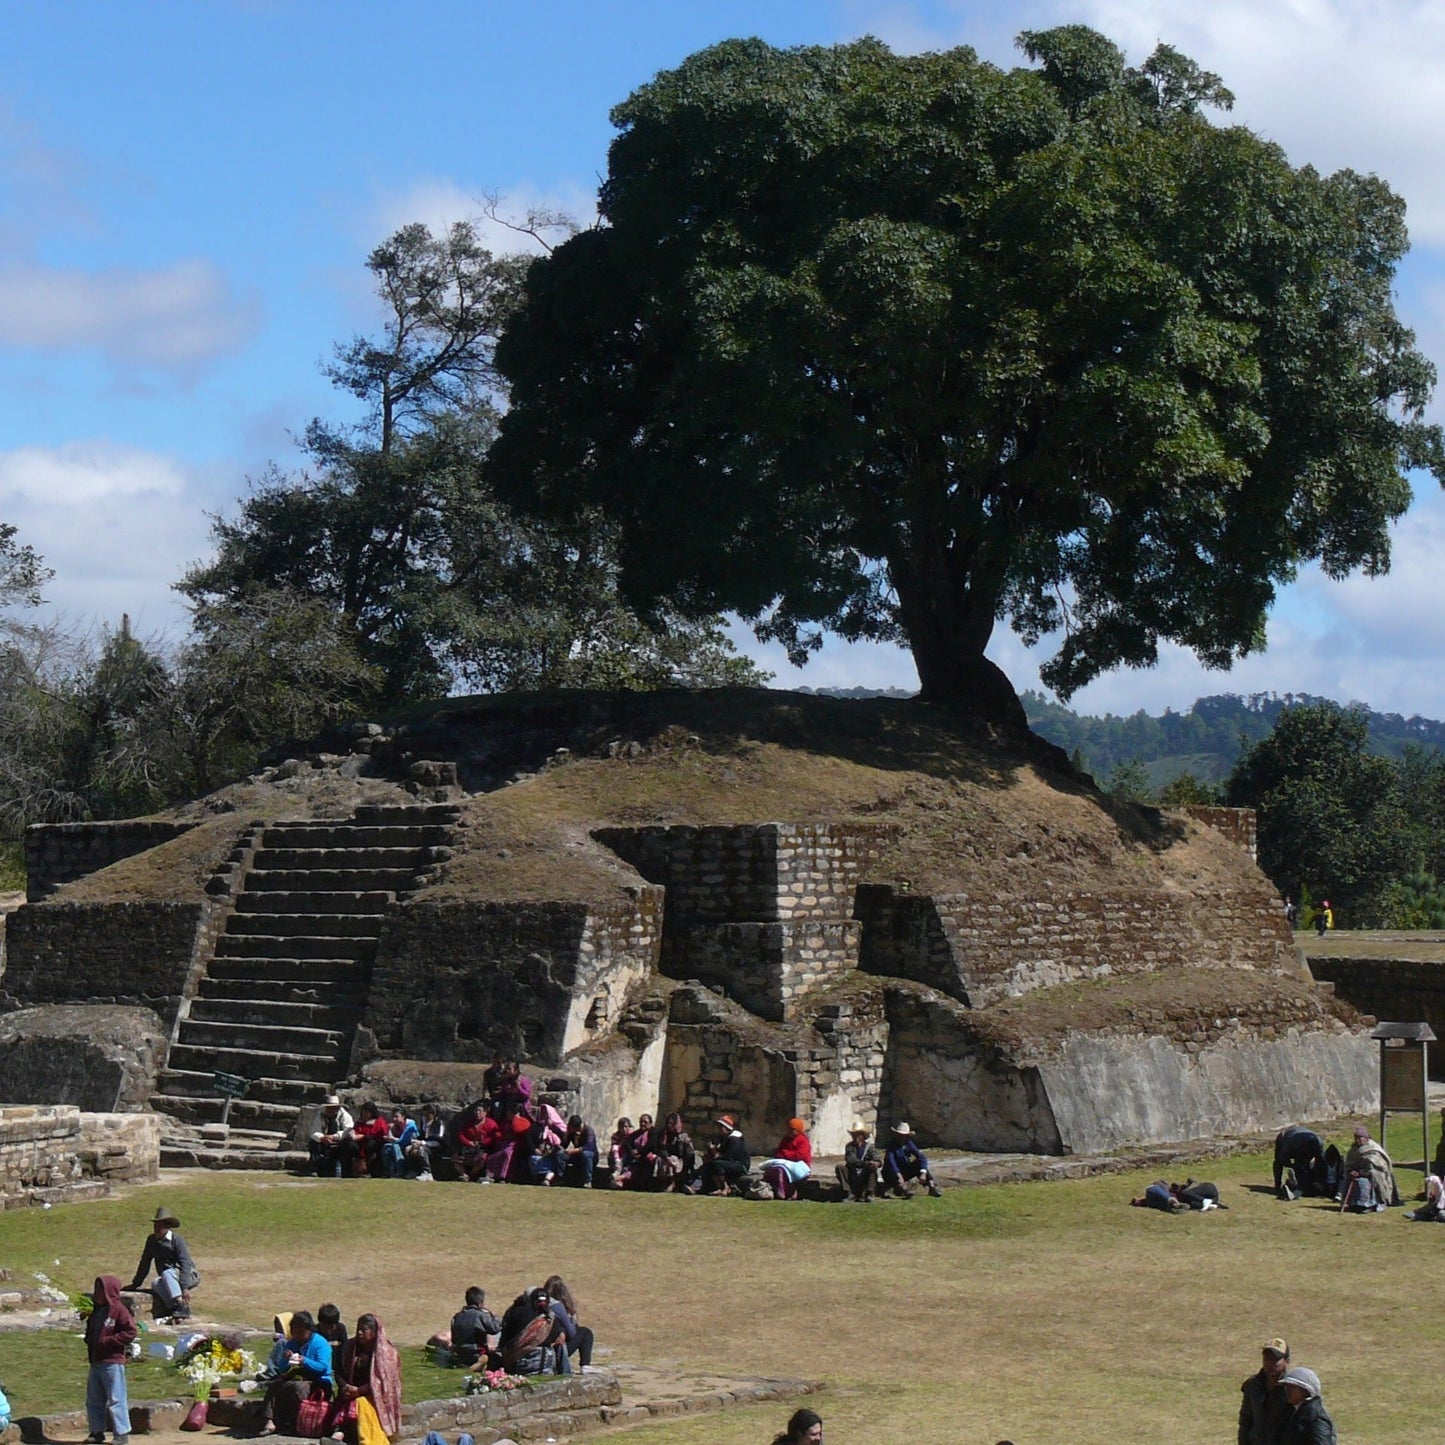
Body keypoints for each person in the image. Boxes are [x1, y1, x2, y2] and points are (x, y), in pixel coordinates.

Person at [327, 1313, 402, 1444]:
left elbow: (384, 1383)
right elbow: (338, 1371)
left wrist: (359, 1391)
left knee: (359, 1404)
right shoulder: (350, 1347)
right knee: (348, 1404)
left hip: (374, 1397)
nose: (360, 1333)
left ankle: (344, 1435)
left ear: (374, 1332)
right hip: (349, 1393)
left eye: (364, 1329)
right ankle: (339, 1435)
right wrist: (345, 1386)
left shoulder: (387, 1354)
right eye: (358, 1329)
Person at [259, 1309, 334, 1436]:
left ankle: (297, 1422)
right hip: (298, 1376)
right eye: (294, 1332)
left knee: (298, 1388)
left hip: (319, 1380)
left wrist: (305, 1361)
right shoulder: (292, 1343)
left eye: (301, 1333)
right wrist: (285, 1359)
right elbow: (282, 1369)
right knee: (276, 1385)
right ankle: (269, 1421)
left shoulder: (320, 1344)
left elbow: (322, 1367)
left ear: (309, 1330)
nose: (298, 1336)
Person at [84, 1275, 136, 1445]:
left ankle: (122, 1433)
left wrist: (108, 1342)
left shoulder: (119, 1310)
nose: (96, 1294)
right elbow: (92, 1330)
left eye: (100, 1290)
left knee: (116, 1398)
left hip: (112, 1361)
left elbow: (130, 1331)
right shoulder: (97, 1311)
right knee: (94, 1399)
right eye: (96, 1289)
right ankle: (97, 1431)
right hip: (96, 1361)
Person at [126, 1205, 199, 1321]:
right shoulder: (151, 1241)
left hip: (187, 1275)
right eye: (155, 1225)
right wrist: (135, 1284)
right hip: (168, 1277)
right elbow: (145, 1263)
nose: (156, 1229)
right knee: (156, 1283)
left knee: (167, 1273)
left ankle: (181, 1305)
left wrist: (185, 1287)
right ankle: (173, 1308)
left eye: (160, 1226)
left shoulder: (177, 1240)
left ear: (167, 1227)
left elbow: (185, 1263)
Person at [497, 1288, 565, 1376]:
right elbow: (557, 1338)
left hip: (521, 1361)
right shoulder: (551, 1319)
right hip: (547, 1364)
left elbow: (505, 1337)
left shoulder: (517, 1313)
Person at [1238, 1337, 1293, 1445]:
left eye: (1275, 1360)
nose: (1270, 1363)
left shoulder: (1292, 1388)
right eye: (1266, 1359)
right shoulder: (1253, 1385)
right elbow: (1246, 1420)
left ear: (1287, 1362)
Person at [1341, 1124, 1400, 1210]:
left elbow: (1378, 1168)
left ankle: (1370, 1204)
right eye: (1356, 1138)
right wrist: (1351, 1171)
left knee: (1363, 1183)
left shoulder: (1373, 1150)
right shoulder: (1354, 1150)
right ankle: (1353, 1204)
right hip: (1356, 1175)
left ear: (1366, 1138)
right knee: (1350, 1180)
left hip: (1372, 1176)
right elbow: (1349, 1165)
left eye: (1360, 1138)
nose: (1357, 1140)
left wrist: (1362, 1173)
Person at [543, 1275, 595, 1373]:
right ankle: (585, 1364)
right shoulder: (557, 1306)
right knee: (586, 1333)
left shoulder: (541, 1303)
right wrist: (572, 1319)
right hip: (555, 1349)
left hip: (543, 1347)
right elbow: (571, 1332)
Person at [1276, 1366, 1337, 1444]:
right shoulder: (1295, 1412)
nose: (1286, 1390)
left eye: (1291, 1387)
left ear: (1305, 1390)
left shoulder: (1316, 1417)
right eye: (1286, 1387)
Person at [882, 1122, 942, 1198]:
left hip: (904, 1170)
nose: (902, 1138)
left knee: (919, 1163)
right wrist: (899, 1175)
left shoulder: (908, 1143)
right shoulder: (891, 1145)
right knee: (891, 1171)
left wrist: (923, 1172)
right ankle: (903, 1190)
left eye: (904, 1136)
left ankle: (931, 1185)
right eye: (900, 1135)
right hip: (892, 1173)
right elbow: (891, 1162)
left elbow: (921, 1157)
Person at [449, 1287, 502, 1368]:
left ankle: (464, 1364)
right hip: (477, 1352)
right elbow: (495, 1329)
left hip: (461, 1353)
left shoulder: (457, 1316)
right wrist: (495, 1317)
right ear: (481, 1303)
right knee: (498, 1358)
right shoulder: (481, 1315)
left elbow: (454, 1340)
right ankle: (480, 1362)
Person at [760, 1118, 813, 1200]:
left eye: (793, 1129)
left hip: (800, 1166)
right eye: (790, 1129)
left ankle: (787, 1192)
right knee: (774, 1169)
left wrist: (786, 1154)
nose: (791, 1131)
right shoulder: (786, 1139)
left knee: (781, 1170)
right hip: (786, 1163)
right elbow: (779, 1152)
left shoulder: (802, 1140)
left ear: (798, 1129)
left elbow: (802, 1155)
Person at [698, 1114, 750, 1196]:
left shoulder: (735, 1140)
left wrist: (715, 1156)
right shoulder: (723, 1139)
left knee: (717, 1164)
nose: (719, 1129)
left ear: (727, 1128)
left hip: (740, 1164)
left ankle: (725, 1187)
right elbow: (720, 1152)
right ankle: (711, 1187)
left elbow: (728, 1156)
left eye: (721, 1127)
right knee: (708, 1165)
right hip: (729, 1163)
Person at [1272, 1126, 1325, 1199]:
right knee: (1278, 1162)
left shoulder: (1319, 1144)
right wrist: (1292, 1167)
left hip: (1303, 1140)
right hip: (1288, 1138)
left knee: (1304, 1168)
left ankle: (1302, 1186)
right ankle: (1278, 1186)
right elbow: (1282, 1159)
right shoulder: (1291, 1145)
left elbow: (1321, 1163)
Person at [836, 1119, 881, 1202]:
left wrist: (875, 1163)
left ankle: (869, 1194)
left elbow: (877, 1158)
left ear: (863, 1135)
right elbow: (851, 1160)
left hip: (864, 1174)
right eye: (854, 1134)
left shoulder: (869, 1147)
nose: (856, 1136)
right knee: (840, 1168)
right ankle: (849, 1193)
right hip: (852, 1173)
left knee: (872, 1168)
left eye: (858, 1134)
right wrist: (866, 1163)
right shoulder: (849, 1146)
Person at [341, 1102, 390, 1178]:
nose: (364, 1115)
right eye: (363, 1113)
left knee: (371, 1144)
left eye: (366, 1113)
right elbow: (355, 1130)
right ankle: (348, 1173)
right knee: (348, 1145)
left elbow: (380, 1135)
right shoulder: (360, 1122)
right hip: (359, 1145)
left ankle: (372, 1171)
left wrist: (364, 1137)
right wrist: (353, 1134)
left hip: (372, 1145)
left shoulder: (379, 1122)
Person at [310, 1097, 355, 1177]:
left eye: (334, 1108)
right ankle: (315, 1168)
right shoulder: (320, 1115)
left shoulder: (345, 1116)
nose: (331, 1110)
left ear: (338, 1108)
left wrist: (334, 1137)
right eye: (329, 1108)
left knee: (349, 1144)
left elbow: (348, 1129)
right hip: (324, 1140)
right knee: (313, 1143)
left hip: (340, 1141)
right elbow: (314, 1131)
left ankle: (346, 1172)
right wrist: (322, 1137)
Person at [652, 1112, 696, 1192]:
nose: (669, 1125)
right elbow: (660, 1148)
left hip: (680, 1159)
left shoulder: (682, 1135)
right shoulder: (663, 1134)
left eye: (671, 1123)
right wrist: (666, 1157)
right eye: (668, 1123)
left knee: (673, 1159)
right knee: (661, 1159)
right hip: (666, 1157)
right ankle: (665, 1182)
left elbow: (687, 1152)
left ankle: (673, 1183)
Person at [409, 1104, 446, 1179]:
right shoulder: (424, 1122)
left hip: (436, 1146)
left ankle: (427, 1172)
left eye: (427, 1114)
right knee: (409, 1149)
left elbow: (439, 1139)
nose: (425, 1117)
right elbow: (422, 1136)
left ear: (433, 1114)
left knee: (422, 1149)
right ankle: (414, 1170)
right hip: (425, 1144)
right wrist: (415, 1141)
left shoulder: (439, 1123)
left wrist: (422, 1143)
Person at [561, 1115, 598, 1188]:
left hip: (591, 1156)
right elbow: (564, 1145)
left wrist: (573, 1151)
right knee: (560, 1154)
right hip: (577, 1156)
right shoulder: (572, 1132)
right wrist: (566, 1134)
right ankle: (560, 1178)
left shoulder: (589, 1131)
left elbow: (588, 1147)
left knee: (586, 1154)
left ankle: (588, 1181)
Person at [381, 1109, 418, 1178]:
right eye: (393, 1117)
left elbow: (404, 1140)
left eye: (396, 1117)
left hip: (410, 1144)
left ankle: (400, 1171)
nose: (394, 1119)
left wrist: (392, 1139)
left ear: (403, 1116)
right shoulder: (397, 1125)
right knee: (386, 1147)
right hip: (400, 1144)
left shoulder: (410, 1125)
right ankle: (389, 1171)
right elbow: (391, 1138)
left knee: (395, 1147)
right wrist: (389, 1129)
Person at [316, 1303, 348, 1370]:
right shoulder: (314, 1332)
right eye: (324, 1327)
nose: (328, 1331)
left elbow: (345, 1350)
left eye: (331, 1327)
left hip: (338, 1368)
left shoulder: (341, 1329)